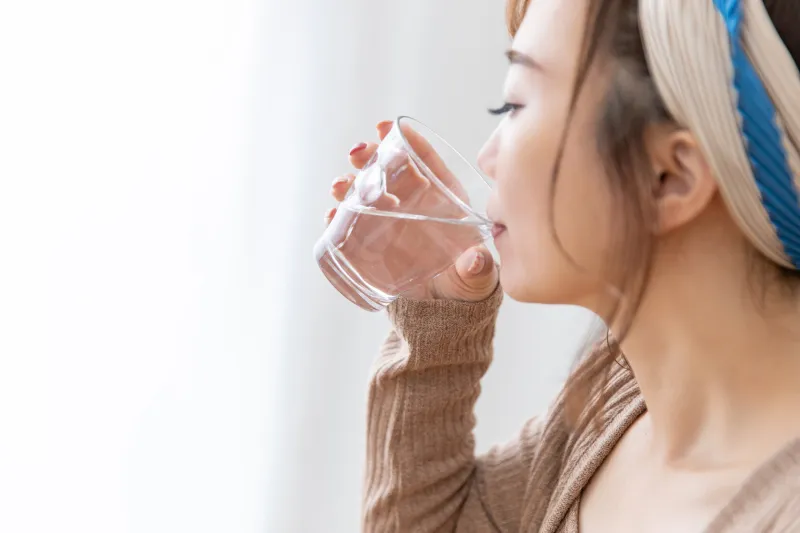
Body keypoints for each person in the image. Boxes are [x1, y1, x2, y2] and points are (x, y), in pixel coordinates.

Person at [325, 0, 800, 531]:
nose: (486, 157)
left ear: (669, 176)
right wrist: (437, 312)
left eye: (513, 107)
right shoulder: (612, 411)